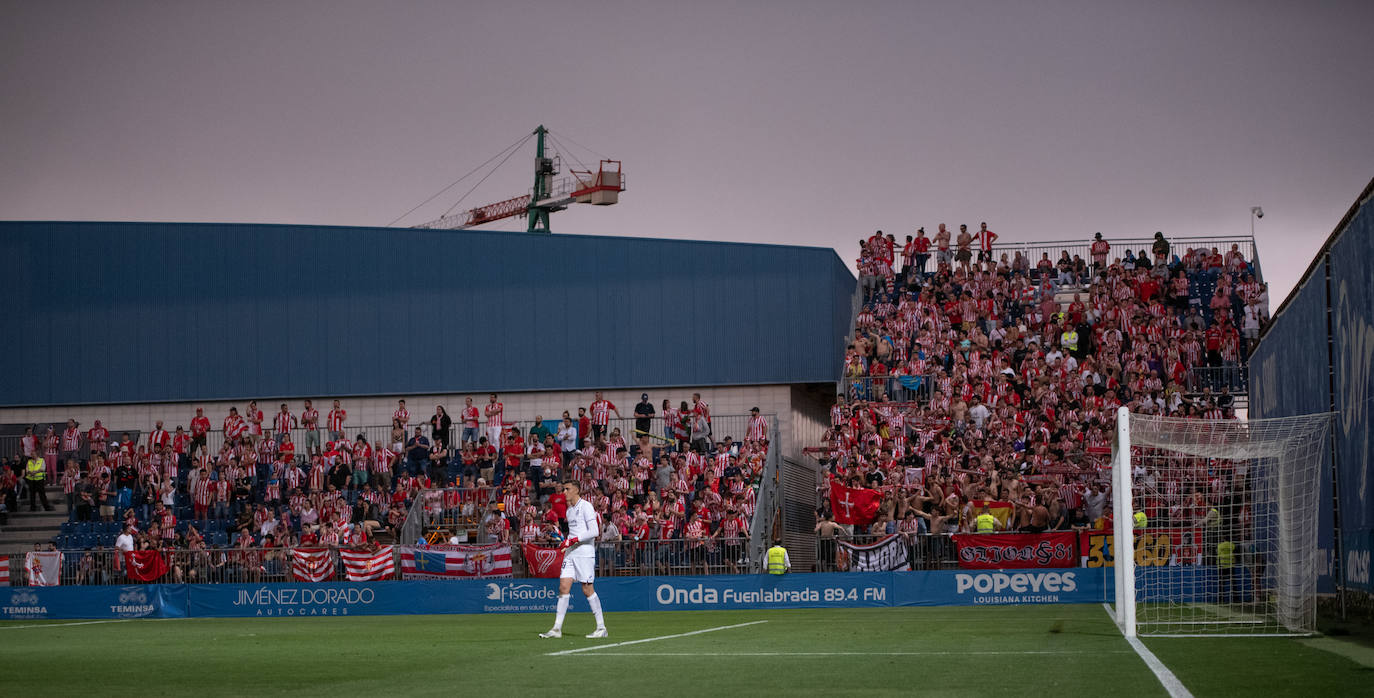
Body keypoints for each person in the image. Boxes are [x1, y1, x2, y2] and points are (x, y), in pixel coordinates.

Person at [540, 479, 607, 639]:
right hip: (571, 552)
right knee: (563, 587)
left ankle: (601, 627)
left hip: (584, 552)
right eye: (563, 489)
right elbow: (574, 532)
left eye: (567, 489)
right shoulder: (569, 511)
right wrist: (566, 541)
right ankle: (556, 629)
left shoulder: (586, 506)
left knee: (587, 589)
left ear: (576, 490)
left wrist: (572, 540)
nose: (564, 492)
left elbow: (594, 531)